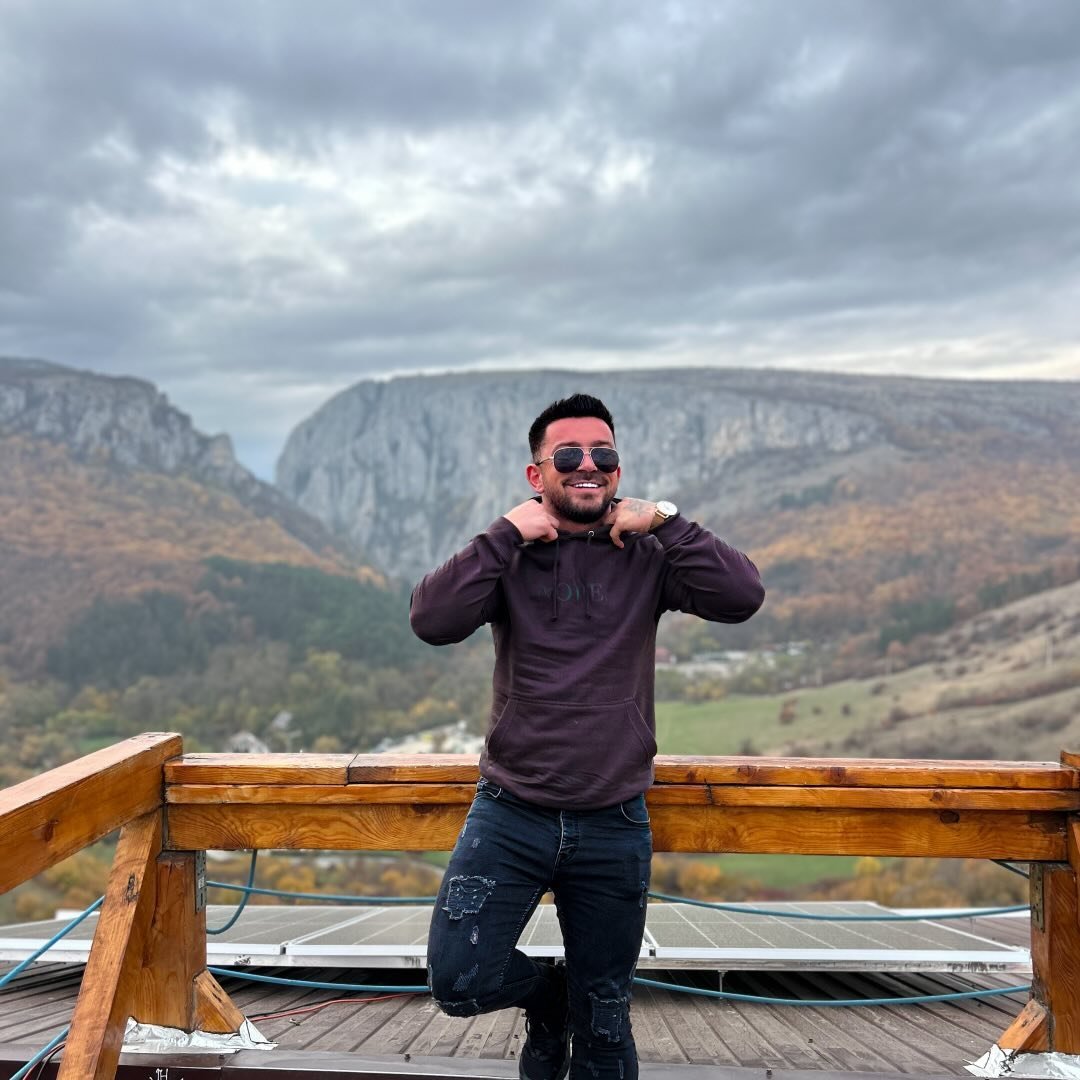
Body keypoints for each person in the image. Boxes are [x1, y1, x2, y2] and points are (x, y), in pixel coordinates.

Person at [410, 393, 764, 1080]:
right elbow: (432, 619)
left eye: (603, 455)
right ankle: (549, 1001)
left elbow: (742, 596)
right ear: (536, 473)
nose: (588, 465)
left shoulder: (647, 553)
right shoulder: (509, 554)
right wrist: (503, 535)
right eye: (568, 454)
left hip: (613, 819)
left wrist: (666, 520)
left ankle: (576, 1009)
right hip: (511, 810)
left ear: (617, 471)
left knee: (605, 1021)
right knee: (460, 978)